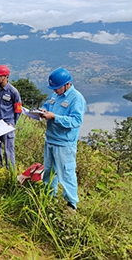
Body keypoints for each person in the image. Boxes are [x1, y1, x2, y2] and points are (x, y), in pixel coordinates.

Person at [39, 67, 86, 212]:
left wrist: (55, 117)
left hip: (64, 144)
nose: (55, 91)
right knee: (48, 171)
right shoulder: (56, 96)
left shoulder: (76, 99)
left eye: (57, 88)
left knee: (66, 174)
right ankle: (49, 196)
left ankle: (71, 204)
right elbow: (48, 105)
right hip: (51, 140)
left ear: (67, 84)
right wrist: (43, 111)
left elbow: (76, 121)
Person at [0, 64, 22, 169]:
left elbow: (18, 109)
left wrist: (12, 123)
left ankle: (10, 171)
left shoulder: (13, 92)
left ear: (5, 76)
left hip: (7, 124)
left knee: (8, 149)